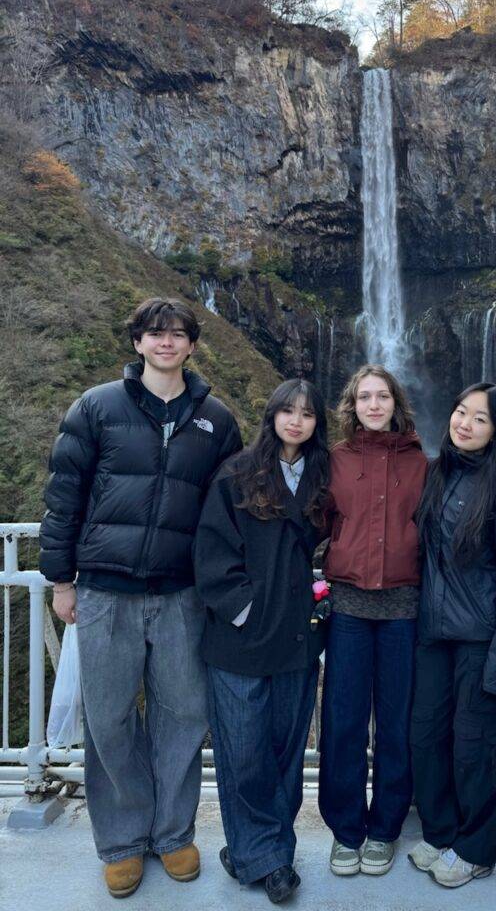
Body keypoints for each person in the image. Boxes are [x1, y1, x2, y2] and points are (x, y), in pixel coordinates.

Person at [39, 297, 242, 898]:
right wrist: (62, 580)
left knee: (185, 713)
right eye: (155, 333)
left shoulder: (216, 419)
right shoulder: (96, 407)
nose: (166, 342)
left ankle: (173, 833)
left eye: (177, 334)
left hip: (182, 593)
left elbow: (229, 510)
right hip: (105, 590)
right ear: (138, 342)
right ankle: (123, 841)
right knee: (109, 717)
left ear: (192, 345)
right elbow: (64, 496)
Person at [194, 379, 329, 904]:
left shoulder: (322, 478)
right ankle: (265, 859)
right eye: (287, 411)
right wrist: (244, 611)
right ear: (271, 415)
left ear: (318, 423)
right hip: (241, 639)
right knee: (244, 752)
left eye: (307, 414)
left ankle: (268, 853)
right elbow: (211, 550)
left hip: (297, 636)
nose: (296, 421)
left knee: (286, 752)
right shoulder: (238, 474)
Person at [409, 382, 496, 888]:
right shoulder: (436, 473)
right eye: (461, 412)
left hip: (482, 640)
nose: (465, 423)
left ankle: (477, 848)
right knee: (426, 737)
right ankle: (441, 832)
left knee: (477, 747)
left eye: (480, 418)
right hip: (432, 635)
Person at [318, 364, 428, 877]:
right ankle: (346, 830)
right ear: (353, 405)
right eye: (364, 397)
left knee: (396, 722)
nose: (374, 405)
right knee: (343, 721)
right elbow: (317, 523)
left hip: (404, 610)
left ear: (396, 403)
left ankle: (385, 827)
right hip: (348, 609)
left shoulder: (422, 463)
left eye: (382, 396)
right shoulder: (335, 460)